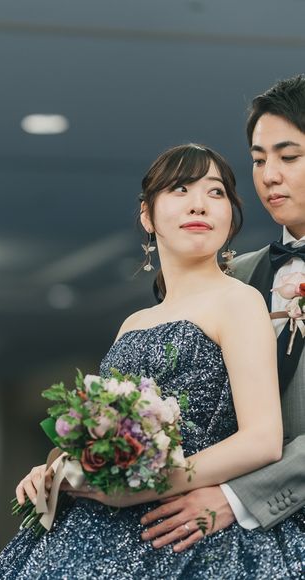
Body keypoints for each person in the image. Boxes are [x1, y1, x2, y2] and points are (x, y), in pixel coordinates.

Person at [0, 143, 304, 579]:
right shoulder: (134, 322)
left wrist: (143, 487)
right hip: (96, 524)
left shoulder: (239, 301)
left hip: (186, 530)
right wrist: (62, 466)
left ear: (230, 216)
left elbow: (262, 440)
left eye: (215, 192)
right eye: (179, 189)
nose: (199, 204)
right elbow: (109, 431)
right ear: (147, 215)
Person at [140, 75, 305, 554]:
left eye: (289, 157)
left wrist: (238, 495)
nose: (269, 175)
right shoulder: (236, 274)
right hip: (221, 541)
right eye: (259, 159)